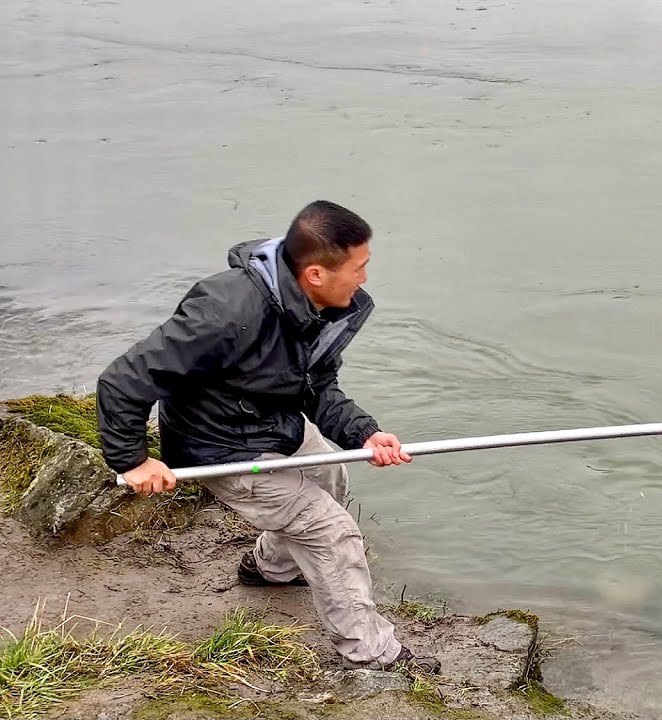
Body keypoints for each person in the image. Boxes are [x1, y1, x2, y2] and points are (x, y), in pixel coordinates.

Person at [95, 200, 440, 674]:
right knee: (331, 531)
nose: (364, 278)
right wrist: (132, 460)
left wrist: (366, 433)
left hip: (273, 424)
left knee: (331, 474)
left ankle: (270, 570)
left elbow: (317, 386)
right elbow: (122, 381)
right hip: (217, 445)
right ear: (316, 273)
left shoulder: (324, 307)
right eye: (359, 268)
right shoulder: (223, 311)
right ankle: (373, 655)